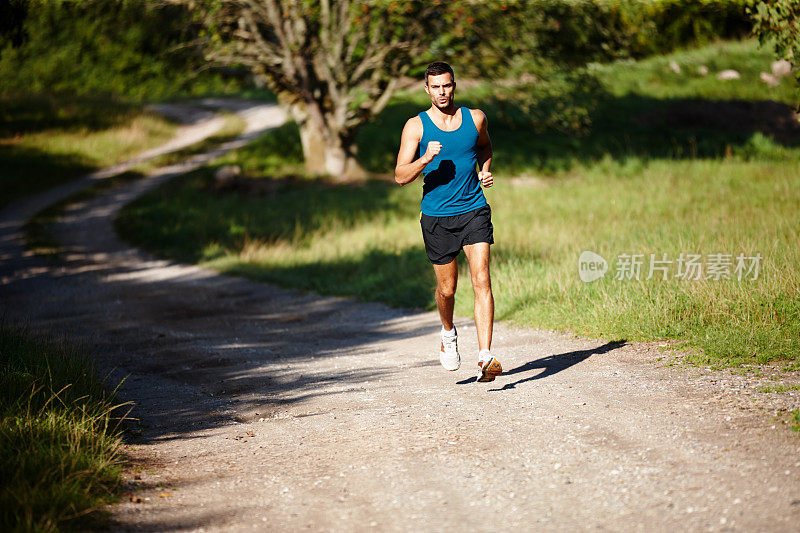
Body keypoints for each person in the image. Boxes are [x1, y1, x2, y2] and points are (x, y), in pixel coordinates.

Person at [394, 61, 502, 383]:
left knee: (481, 278)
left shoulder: (475, 118)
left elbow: (485, 146)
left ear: (454, 85)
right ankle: (448, 333)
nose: (443, 92)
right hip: (437, 218)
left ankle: (484, 357)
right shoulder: (416, 126)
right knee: (447, 288)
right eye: (436, 87)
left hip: (474, 209)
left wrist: (484, 170)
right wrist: (425, 158)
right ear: (427, 89)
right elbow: (400, 176)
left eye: (447, 85)